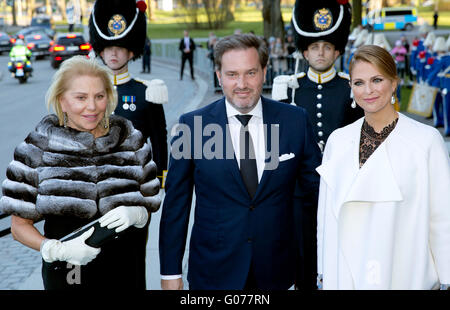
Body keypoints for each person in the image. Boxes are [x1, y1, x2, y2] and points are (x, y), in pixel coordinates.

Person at [159, 33, 322, 290]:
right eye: (232, 74)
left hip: (279, 272)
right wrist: (170, 272)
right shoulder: (190, 126)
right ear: (218, 76)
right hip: (212, 274)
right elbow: (176, 204)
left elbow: (318, 197)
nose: (242, 84)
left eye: (250, 73)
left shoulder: (296, 121)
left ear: (265, 72)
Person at [0, 56, 161, 289]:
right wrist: (55, 249)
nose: (92, 107)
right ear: (62, 100)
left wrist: (139, 214)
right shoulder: (36, 149)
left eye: (99, 96)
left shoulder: (131, 140)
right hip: (68, 274)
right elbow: (18, 226)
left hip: (126, 272)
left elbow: (149, 201)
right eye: (81, 98)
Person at [317, 45, 450, 290]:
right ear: (351, 88)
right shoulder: (338, 140)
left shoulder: (426, 140)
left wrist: (447, 277)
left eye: (377, 80)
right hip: (345, 273)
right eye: (359, 82)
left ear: (394, 82)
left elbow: (442, 217)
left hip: (403, 271)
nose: (368, 90)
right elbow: (325, 216)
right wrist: (324, 271)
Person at [271, 0, 364, 291]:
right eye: (314, 47)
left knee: (339, 249)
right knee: (303, 252)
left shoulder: (351, 87)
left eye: (327, 47)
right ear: (304, 51)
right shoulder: (289, 87)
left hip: (341, 185)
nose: (320, 53)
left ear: (338, 50)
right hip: (299, 188)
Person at [89, 0, 168, 186]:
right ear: (101, 52)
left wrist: (158, 179)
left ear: (131, 53)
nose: (113, 54)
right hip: (96, 182)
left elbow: (158, 139)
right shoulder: (89, 92)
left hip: (137, 182)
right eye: (108, 48)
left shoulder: (148, 92)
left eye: (120, 48)